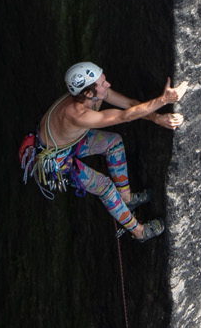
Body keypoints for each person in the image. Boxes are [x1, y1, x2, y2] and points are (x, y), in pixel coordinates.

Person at [20, 61, 185, 239]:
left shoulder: (90, 95)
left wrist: (157, 118)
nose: (108, 84)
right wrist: (163, 100)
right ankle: (139, 232)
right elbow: (125, 116)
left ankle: (126, 198)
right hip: (55, 161)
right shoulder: (78, 115)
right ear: (89, 93)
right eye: (103, 83)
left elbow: (130, 104)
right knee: (104, 187)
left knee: (113, 142)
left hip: (68, 143)